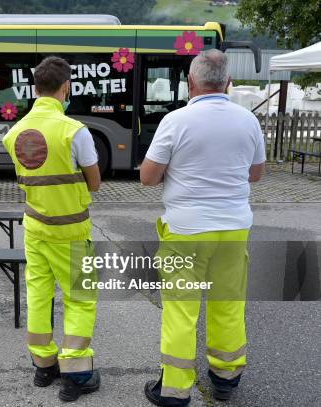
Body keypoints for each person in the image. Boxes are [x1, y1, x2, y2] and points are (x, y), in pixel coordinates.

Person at [140, 49, 265, 406]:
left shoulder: (175, 120)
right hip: (234, 228)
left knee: (181, 309)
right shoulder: (248, 121)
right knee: (227, 303)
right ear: (227, 82)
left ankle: (176, 391)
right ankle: (226, 380)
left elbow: (148, 177)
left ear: (190, 83)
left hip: (186, 232)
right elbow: (255, 173)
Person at [2, 56, 102, 402]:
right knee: (80, 298)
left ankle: (44, 367)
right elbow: (95, 183)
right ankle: (77, 376)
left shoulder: (13, 134)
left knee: (39, 295)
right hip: (72, 230)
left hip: (35, 227)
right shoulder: (75, 131)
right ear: (66, 89)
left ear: (34, 89)